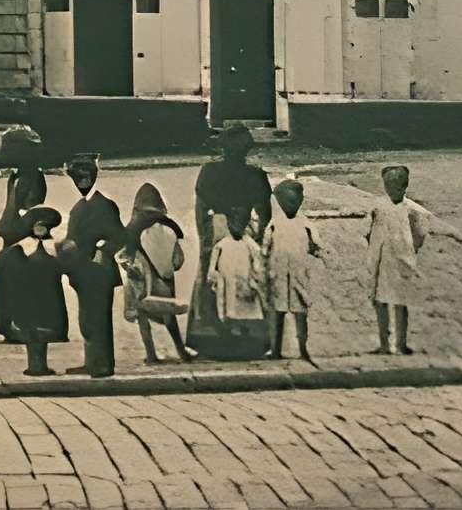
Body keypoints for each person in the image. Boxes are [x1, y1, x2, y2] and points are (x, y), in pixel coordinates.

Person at [190, 122, 275, 355]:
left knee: (214, 282)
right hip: (243, 230)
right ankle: (249, 336)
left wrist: (205, 240)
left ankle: (214, 336)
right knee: (247, 283)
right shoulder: (255, 175)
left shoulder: (210, 172)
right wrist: (255, 236)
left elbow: (201, 210)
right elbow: (265, 213)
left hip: (218, 231)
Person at [58, 154, 127, 377]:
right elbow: (74, 239)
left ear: (93, 177)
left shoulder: (105, 205)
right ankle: (91, 361)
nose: (81, 182)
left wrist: (101, 251)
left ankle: (104, 365)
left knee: (99, 318)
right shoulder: (78, 208)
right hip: (81, 271)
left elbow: (120, 237)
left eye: (85, 178)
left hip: (99, 271)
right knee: (87, 319)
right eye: (78, 178)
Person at [0, 207, 69, 378]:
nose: (40, 230)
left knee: (45, 330)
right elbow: (5, 264)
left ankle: (40, 365)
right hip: (30, 295)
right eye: (37, 227)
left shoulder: (56, 246)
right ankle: (35, 366)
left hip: (50, 295)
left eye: (43, 227)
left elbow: (64, 266)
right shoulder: (21, 247)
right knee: (32, 332)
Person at [365, 163, 430, 355]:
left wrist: (410, 250)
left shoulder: (412, 210)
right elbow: (368, 230)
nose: (392, 189)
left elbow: (419, 234)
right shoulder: (378, 207)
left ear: (405, 186)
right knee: (380, 302)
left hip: (402, 260)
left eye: (396, 185)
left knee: (401, 302)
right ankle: (384, 344)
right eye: (388, 185)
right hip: (380, 259)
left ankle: (401, 343)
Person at [122, 183, 188, 364]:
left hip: (142, 282)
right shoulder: (171, 227)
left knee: (143, 317)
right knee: (169, 317)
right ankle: (182, 353)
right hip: (165, 281)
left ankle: (151, 354)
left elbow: (125, 256)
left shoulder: (132, 229)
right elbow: (178, 261)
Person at [264, 176, 322, 363]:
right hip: (278, 274)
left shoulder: (306, 226)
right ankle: (275, 350)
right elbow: (264, 250)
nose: (291, 205)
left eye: (295, 201)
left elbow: (317, 247)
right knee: (277, 314)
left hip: (299, 275)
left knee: (300, 314)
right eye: (287, 201)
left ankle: (303, 349)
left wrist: (316, 251)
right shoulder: (273, 225)